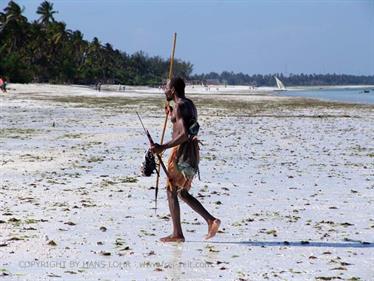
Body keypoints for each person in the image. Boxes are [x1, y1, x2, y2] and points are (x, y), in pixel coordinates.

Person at [151, 77, 221, 242]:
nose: (164, 90)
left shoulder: (180, 106)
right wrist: (171, 114)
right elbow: (183, 123)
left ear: (173, 90)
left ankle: (177, 234)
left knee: (171, 189)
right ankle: (211, 220)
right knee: (181, 192)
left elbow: (184, 135)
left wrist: (162, 147)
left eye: (166, 87)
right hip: (192, 152)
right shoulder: (188, 104)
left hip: (182, 152)